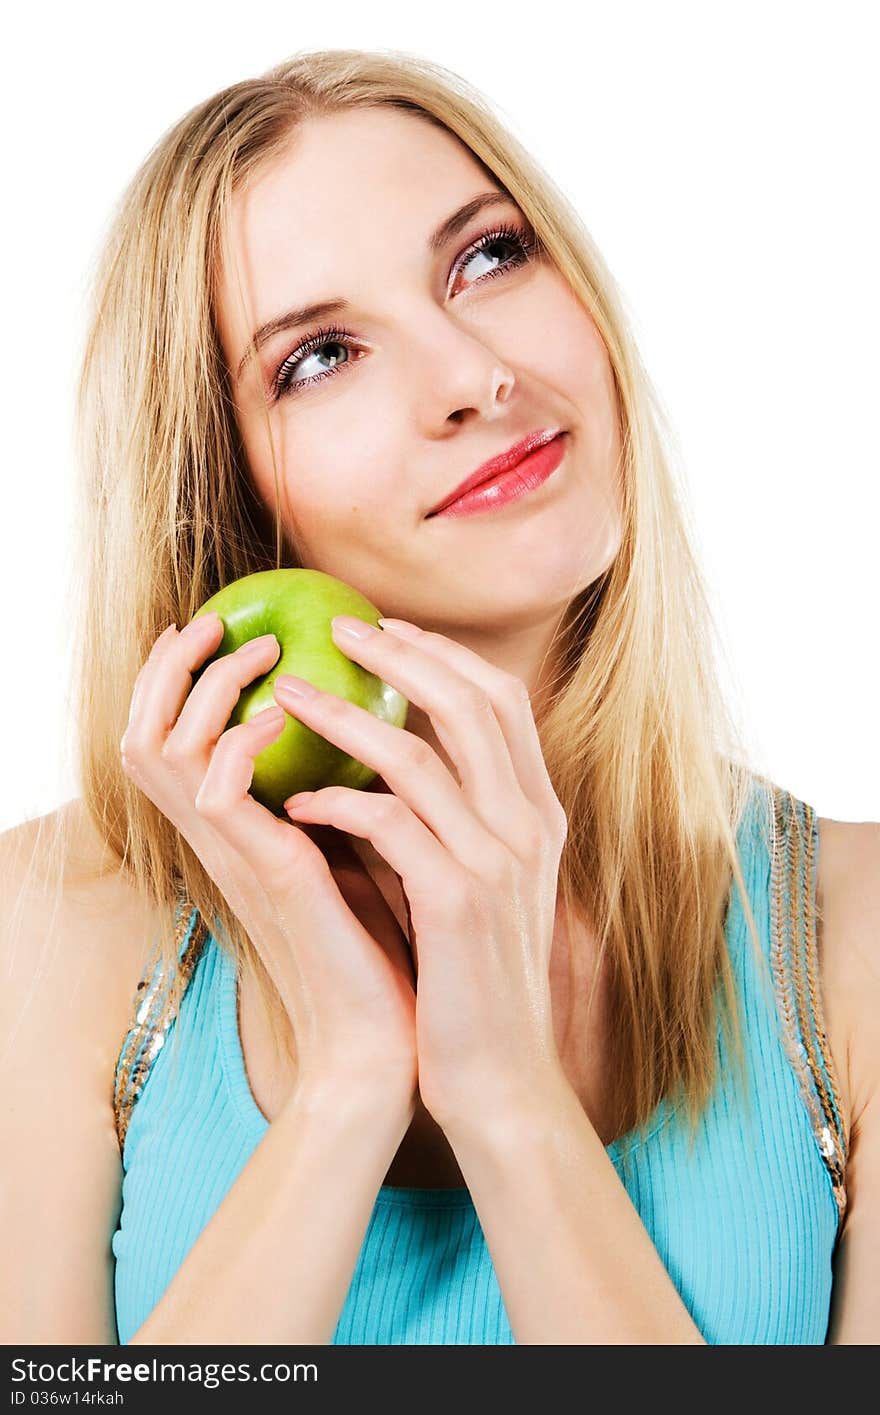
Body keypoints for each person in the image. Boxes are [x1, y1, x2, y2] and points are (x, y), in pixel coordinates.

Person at [1, 47, 877, 1348]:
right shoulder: (50, 929)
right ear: (237, 490)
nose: (475, 373)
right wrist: (350, 1082)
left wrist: (508, 1094)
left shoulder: (845, 936)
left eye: (487, 257)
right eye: (321, 356)